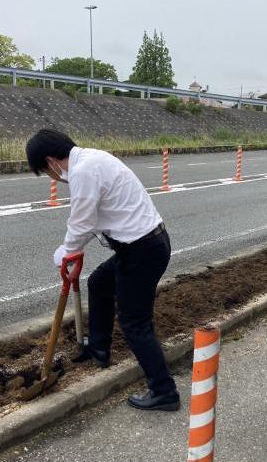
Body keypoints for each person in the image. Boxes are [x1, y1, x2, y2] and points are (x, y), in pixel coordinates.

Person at [25, 129, 180, 412]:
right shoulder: (92, 159)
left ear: (50, 161)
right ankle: (98, 348)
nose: (52, 179)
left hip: (143, 249)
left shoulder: (84, 170)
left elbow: (82, 220)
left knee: (134, 323)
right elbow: (95, 218)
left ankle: (164, 390)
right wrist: (74, 250)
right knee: (99, 282)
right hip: (140, 245)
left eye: (46, 172)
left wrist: (67, 251)